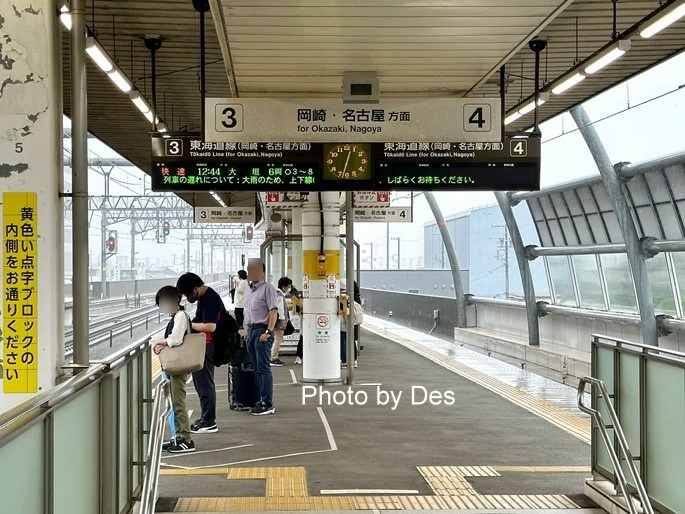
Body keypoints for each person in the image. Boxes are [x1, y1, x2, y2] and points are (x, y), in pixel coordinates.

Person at [176, 272, 226, 433]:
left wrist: (188, 324)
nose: (187, 297)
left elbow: (210, 326)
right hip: (204, 345)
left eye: (187, 293)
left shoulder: (210, 299)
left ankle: (209, 421)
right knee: (202, 384)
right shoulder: (205, 298)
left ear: (195, 289)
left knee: (205, 385)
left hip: (206, 346)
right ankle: (206, 417)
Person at [152, 286, 196, 453]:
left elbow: (176, 339)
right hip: (174, 367)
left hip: (178, 367)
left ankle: (186, 439)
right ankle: (178, 437)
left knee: (178, 403)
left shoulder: (181, 316)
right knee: (174, 403)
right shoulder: (176, 317)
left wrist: (161, 342)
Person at [243, 259, 278, 415]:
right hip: (251, 331)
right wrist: (246, 330)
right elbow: (248, 312)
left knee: (263, 368)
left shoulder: (267, 289)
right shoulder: (248, 291)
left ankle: (267, 403)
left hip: (263, 331)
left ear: (263, 272)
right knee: (257, 369)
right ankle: (260, 400)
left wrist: (268, 332)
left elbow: (273, 311)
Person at [270, 277, 293, 367]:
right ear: (283, 286)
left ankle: (273, 356)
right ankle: (274, 357)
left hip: (275, 320)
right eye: (288, 286)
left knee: (275, 338)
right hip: (279, 320)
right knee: (278, 338)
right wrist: (283, 321)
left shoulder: (275, 293)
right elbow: (280, 309)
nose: (289, 289)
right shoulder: (279, 294)